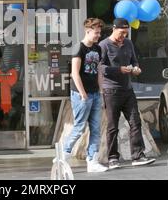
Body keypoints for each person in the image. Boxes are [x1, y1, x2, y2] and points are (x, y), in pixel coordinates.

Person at [98, 18, 156, 169]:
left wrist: (136, 68)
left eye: (126, 33)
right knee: (112, 126)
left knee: (135, 122)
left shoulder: (128, 43)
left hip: (128, 89)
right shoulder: (104, 45)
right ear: (114, 29)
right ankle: (112, 158)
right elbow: (101, 68)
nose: (123, 36)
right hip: (111, 90)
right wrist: (119, 70)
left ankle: (138, 155)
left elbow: (134, 61)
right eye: (121, 32)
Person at [59, 18, 108, 173]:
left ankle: (92, 161)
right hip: (81, 95)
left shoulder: (98, 49)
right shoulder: (78, 48)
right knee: (79, 127)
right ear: (88, 31)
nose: (98, 35)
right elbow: (74, 73)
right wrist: (83, 94)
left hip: (95, 93)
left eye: (99, 32)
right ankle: (63, 155)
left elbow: (99, 71)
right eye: (96, 32)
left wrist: (101, 91)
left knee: (95, 128)